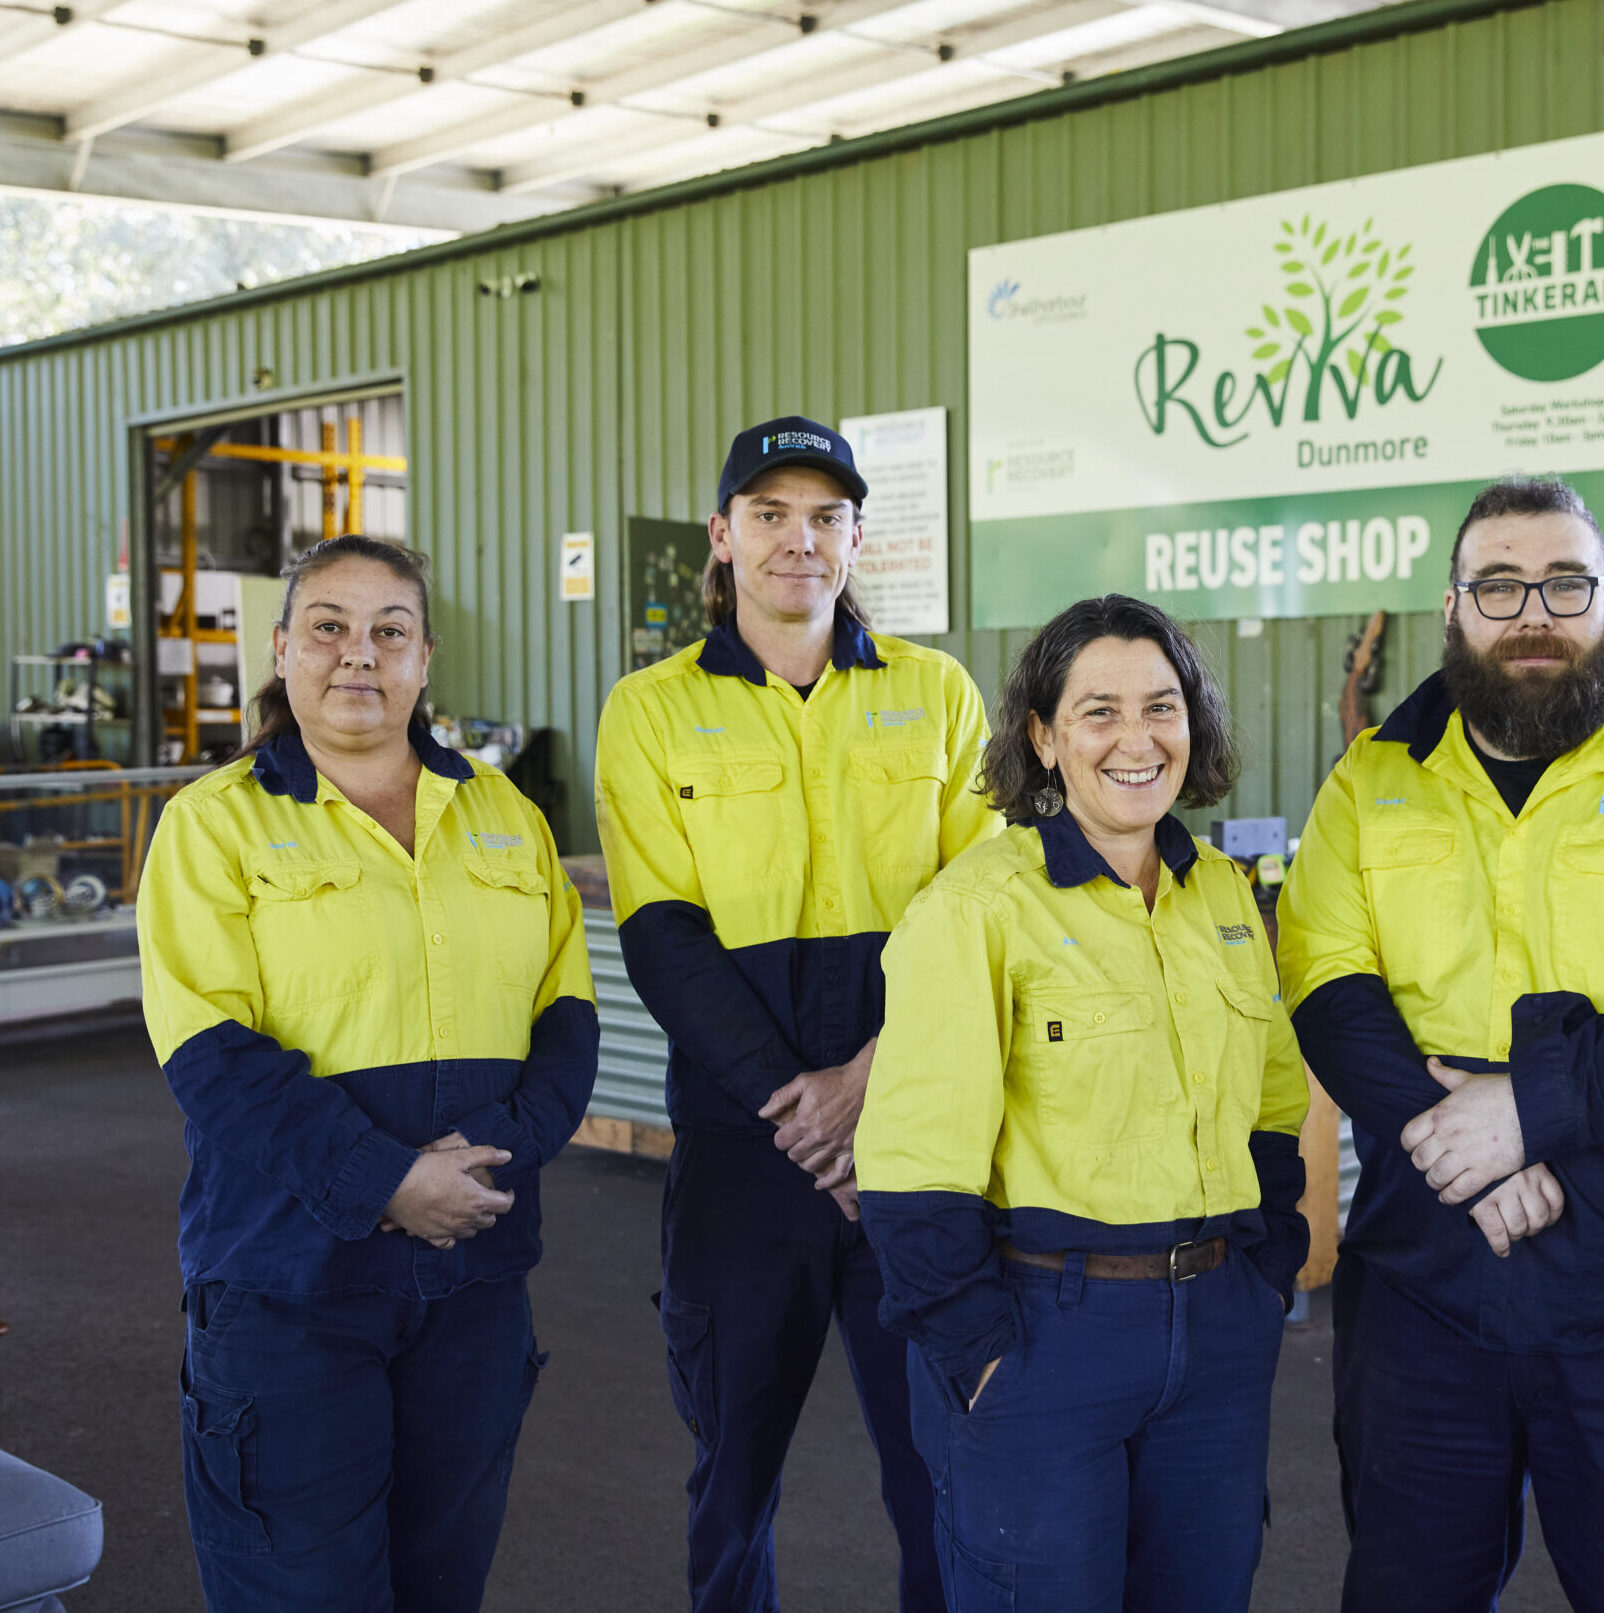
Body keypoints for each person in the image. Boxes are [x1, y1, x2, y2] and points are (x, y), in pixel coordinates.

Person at [1275, 476, 1604, 1612]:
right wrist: (1457, 1144)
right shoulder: (1371, 780)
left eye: (1565, 582)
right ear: (1454, 607)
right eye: (1499, 584)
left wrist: (1522, 1115)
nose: (1532, 611)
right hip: (1425, 1282)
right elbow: (1323, 979)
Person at [137, 536, 596, 1612]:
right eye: (330, 626)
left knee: (442, 1581)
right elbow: (212, 1057)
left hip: (472, 1286)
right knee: (300, 1589)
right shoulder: (213, 827)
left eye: (389, 629)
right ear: (283, 648)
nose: (360, 654)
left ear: (425, 657)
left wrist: (481, 1163)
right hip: (288, 1282)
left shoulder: (505, 817)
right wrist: (388, 1179)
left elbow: (563, 1021)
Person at [594, 414, 992, 1613]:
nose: (797, 540)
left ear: (857, 536)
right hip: (741, 1155)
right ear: (722, 536)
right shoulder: (650, 710)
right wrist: (803, 1110)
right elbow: (662, 935)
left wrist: (871, 1078)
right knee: (733, 1475)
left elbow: (978, 910)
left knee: (943, 1468)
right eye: (769, 514)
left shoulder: (937, 693)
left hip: (914, 1139)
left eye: (825, 516)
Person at [854, 594, 1309, 1613]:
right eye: (1097, 711)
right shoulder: (974, 908)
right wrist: (979, 1355)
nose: (1136, 738)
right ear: (1042, 737)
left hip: (1215, 1329)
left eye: (1161, 705)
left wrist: (1265, 1273)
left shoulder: (1225, 896)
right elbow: (912, 1170)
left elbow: (1273, 1105)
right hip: (1042, 1337)